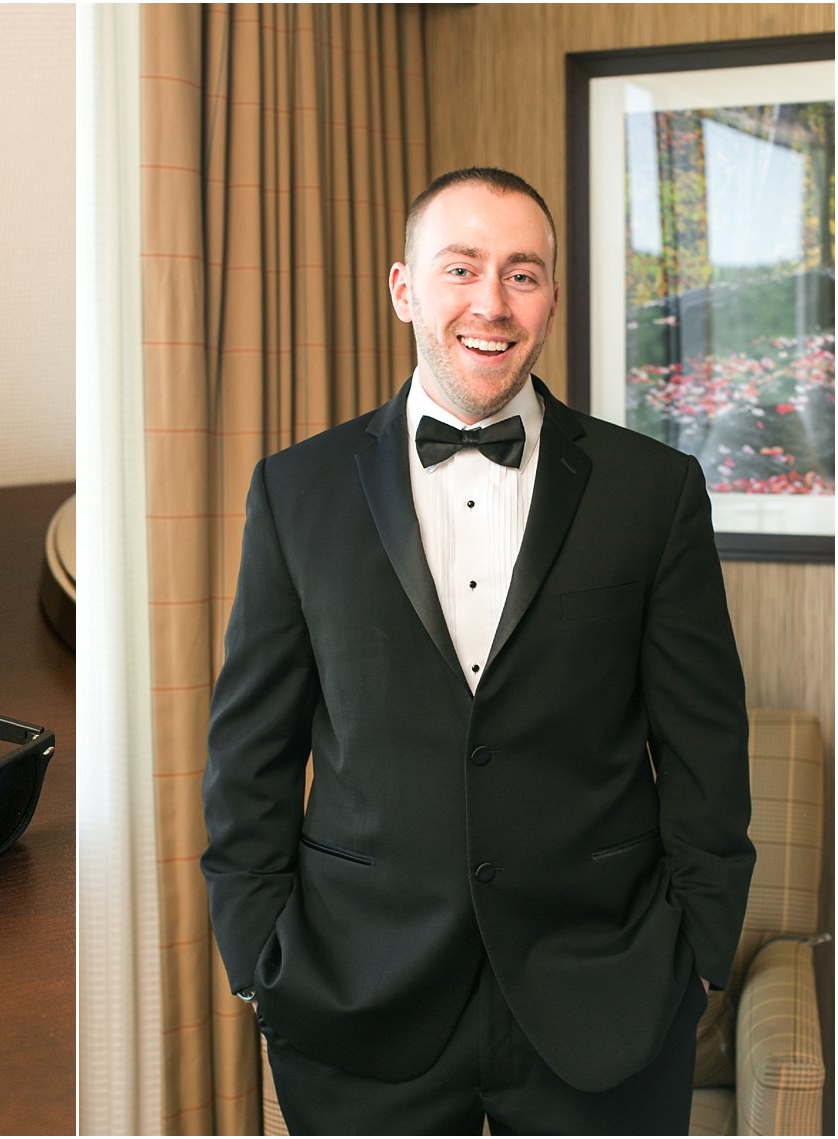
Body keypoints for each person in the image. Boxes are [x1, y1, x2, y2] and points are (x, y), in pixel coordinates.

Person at [200, 167, 754, 1135]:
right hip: (354, 993)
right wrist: (254, 951)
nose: (490, 303)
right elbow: (250, 745)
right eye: (459, 268)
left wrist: (697, 946)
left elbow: (704, 740)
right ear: (404, 288)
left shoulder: (652, 488)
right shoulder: (294, 490)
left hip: (604, 991)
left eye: (521, 273)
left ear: (548, 297)